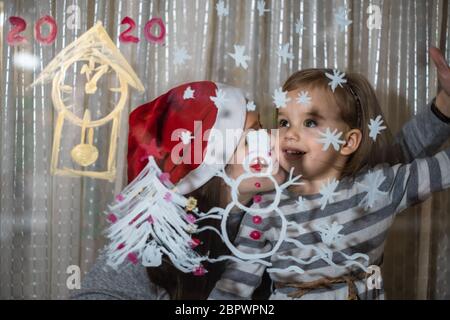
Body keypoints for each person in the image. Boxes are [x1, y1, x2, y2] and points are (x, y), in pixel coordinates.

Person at [209, 47, 450, 300]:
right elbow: (233, 287)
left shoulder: (380, 187)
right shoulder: (265, 210)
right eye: (283, 122)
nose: (288, 134)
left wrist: (445, 103)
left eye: (310, 122)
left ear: (347, 142)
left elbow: (426, 161)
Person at [71, 81, 284, 300]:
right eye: (250, 138)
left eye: (263, 127)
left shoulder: (284, 216)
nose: (272, 139)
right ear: (209, 169)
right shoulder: (158, 239)